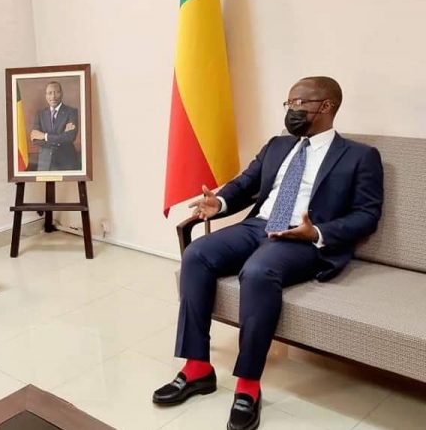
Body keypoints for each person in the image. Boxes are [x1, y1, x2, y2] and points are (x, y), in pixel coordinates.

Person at [152, 77, 384, 430]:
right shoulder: (278, 144)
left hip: (302, 238)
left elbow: (367, 215)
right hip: (258, 226)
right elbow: (246, 183)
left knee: (258, 272)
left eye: (299, 103)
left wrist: (317, 232)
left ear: (326, 106)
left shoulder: (360, 156)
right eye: (289, 103)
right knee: (196, 254)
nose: (291, 110)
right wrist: (220, 202)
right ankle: (197, 367)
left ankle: (248, 386)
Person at [30, 81, 81, 171]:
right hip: (45, 163)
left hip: (66, 163)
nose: (53, 96)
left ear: (61, 93)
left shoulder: (71, 112)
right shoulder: (40, 114)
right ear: (46, 96)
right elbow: (35, 139)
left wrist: (44, 136)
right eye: (50, 93)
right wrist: (60, 137)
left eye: (56, 92)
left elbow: (70, 137)